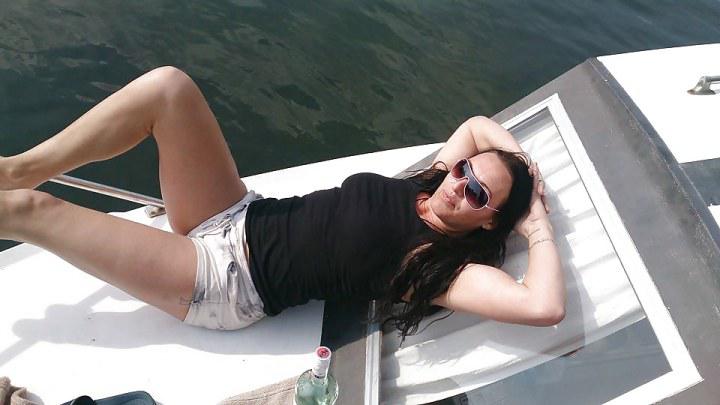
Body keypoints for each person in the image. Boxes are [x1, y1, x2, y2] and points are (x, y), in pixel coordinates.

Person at [0, 67, 564, 340]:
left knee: (31, 212)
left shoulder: (440, 266)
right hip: (239, 213)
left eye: (477, 192)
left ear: (489, 220)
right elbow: (477, 125)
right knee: (169, 89)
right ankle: (18, 166)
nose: (459, 183)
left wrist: (534, 221)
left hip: (224, 282)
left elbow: (543, 306)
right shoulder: (431, 185)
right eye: (465, 170)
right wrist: (525, 169)